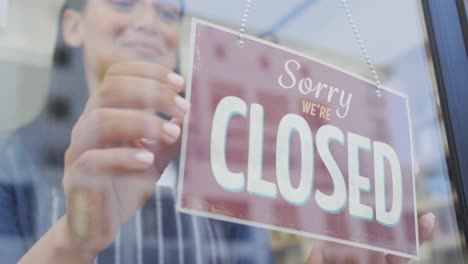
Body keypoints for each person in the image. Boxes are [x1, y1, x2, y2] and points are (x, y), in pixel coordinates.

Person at [0, 0, 434, 263]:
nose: (150, 21)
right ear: (73, 26)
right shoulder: (14, 160)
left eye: (169, 12)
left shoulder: (220, 162)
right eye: (125, 3)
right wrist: (74, 241)